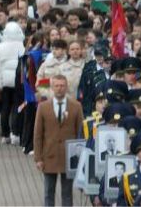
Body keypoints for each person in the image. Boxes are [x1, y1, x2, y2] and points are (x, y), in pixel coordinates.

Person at [34, 74, 83, 206]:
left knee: (67, 193)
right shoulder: (43, 107)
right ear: (52, 87)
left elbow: (81, 134)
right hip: (49, 156)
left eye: (62, 85)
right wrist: (38, 158)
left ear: (66, 87)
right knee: (48, 192)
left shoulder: (76, 106)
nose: (59, 88)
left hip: (69, 157)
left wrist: (80, 158)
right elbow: (38, 134)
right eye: (56, 86)